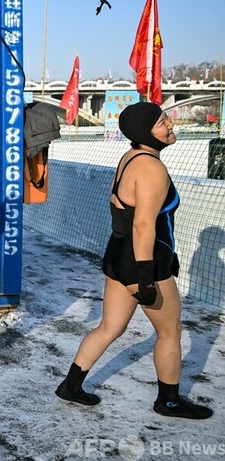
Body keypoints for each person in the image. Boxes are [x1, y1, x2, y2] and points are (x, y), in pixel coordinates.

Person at [55, 102, 212, 420]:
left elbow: (129, 216)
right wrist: (145, 274)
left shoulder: (131, 157)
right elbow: (143, 225)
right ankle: (169, 401)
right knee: (170, 331)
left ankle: (70, 386)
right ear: (145, 132)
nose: (171, 124)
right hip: (141, 259)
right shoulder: (152, 168)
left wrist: (166, 256)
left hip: (119, 253)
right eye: (162, 122)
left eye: (167, 118)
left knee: (110, 326)